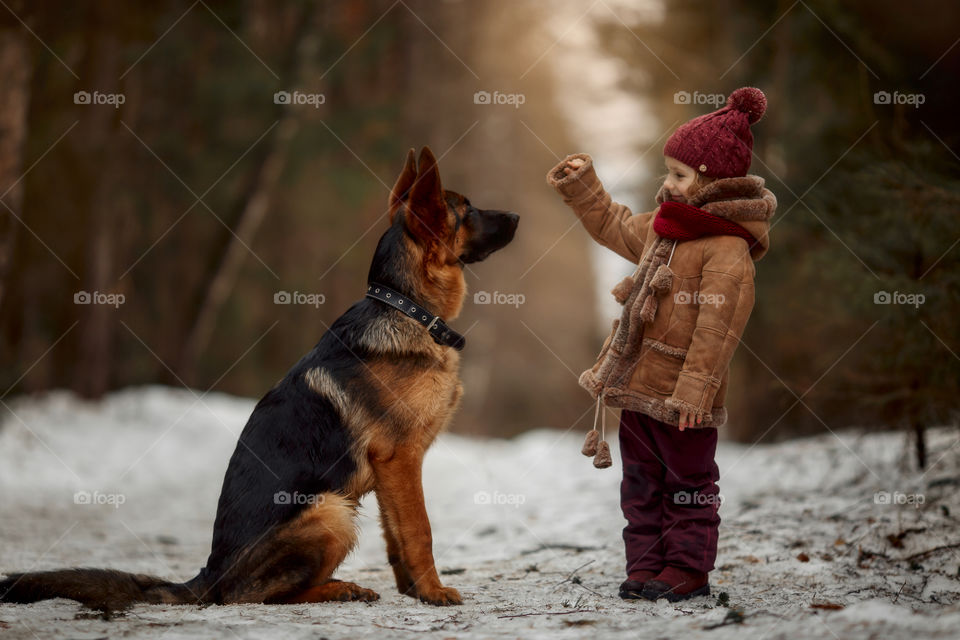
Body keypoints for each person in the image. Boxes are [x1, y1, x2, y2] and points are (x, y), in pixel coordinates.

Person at [545, 87, 777, 602]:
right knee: (641, 482)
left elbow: (718, 329)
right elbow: (614, 226)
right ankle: (646, 565)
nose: (666, 182)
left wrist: (695, 391)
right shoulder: (666, 230)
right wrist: (584, 187)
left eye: (678, 174)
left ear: (713, 181)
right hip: (639, 386)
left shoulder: (726, 248)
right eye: (667, 171)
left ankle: (687, 568)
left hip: (684, 399)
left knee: (689, 482)